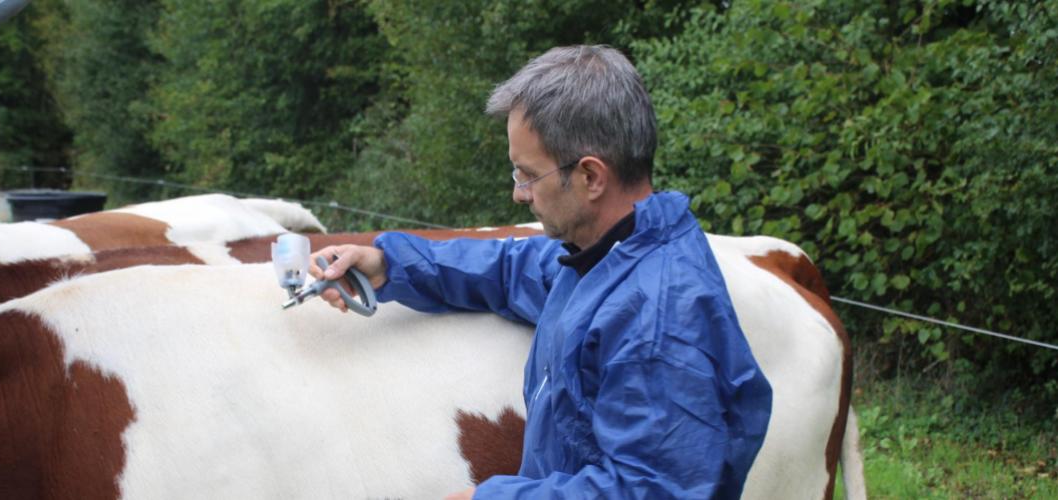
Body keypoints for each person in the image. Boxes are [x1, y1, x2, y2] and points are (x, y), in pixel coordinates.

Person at [311, 45, 772, 499]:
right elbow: (514, 269)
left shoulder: (657, 323)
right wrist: (389, 263)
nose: (519, 194)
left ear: (591, 177)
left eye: (526, 174)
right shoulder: (610, 251)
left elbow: (653, 491)